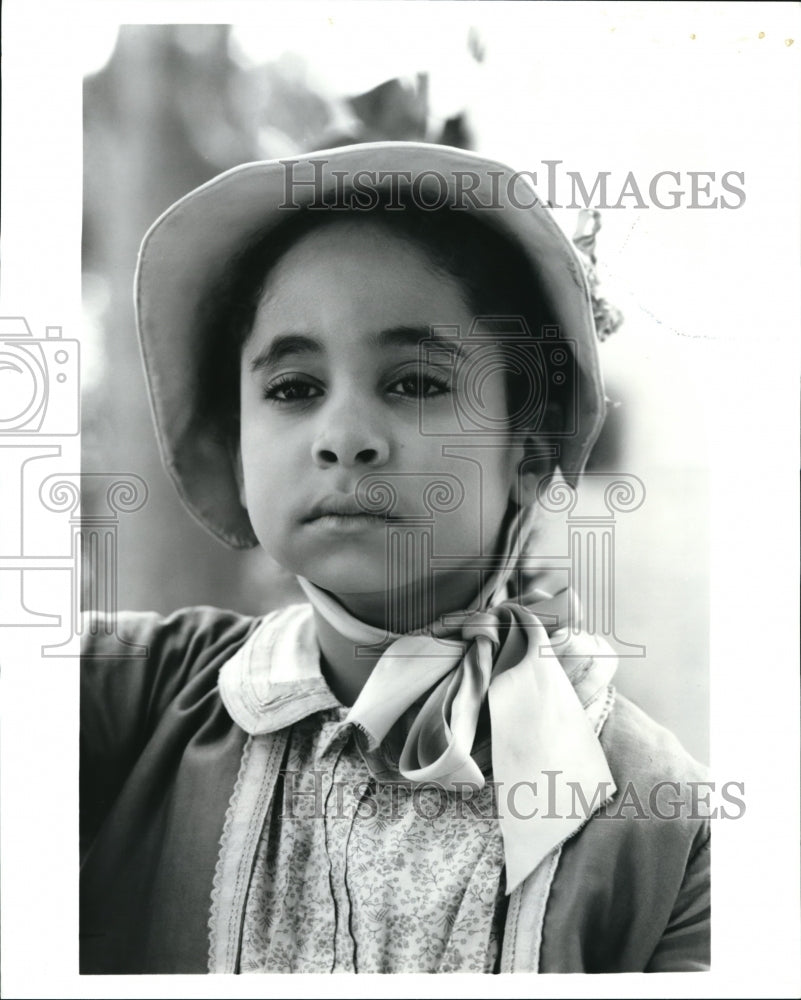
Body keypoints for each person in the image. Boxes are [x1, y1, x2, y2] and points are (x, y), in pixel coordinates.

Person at [80, 142, 710, 974]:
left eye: (414, 383)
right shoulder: (124, 694)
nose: (343, 439)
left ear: (528, 445)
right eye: (293, 389)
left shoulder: (662, 822)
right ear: (236, 448)